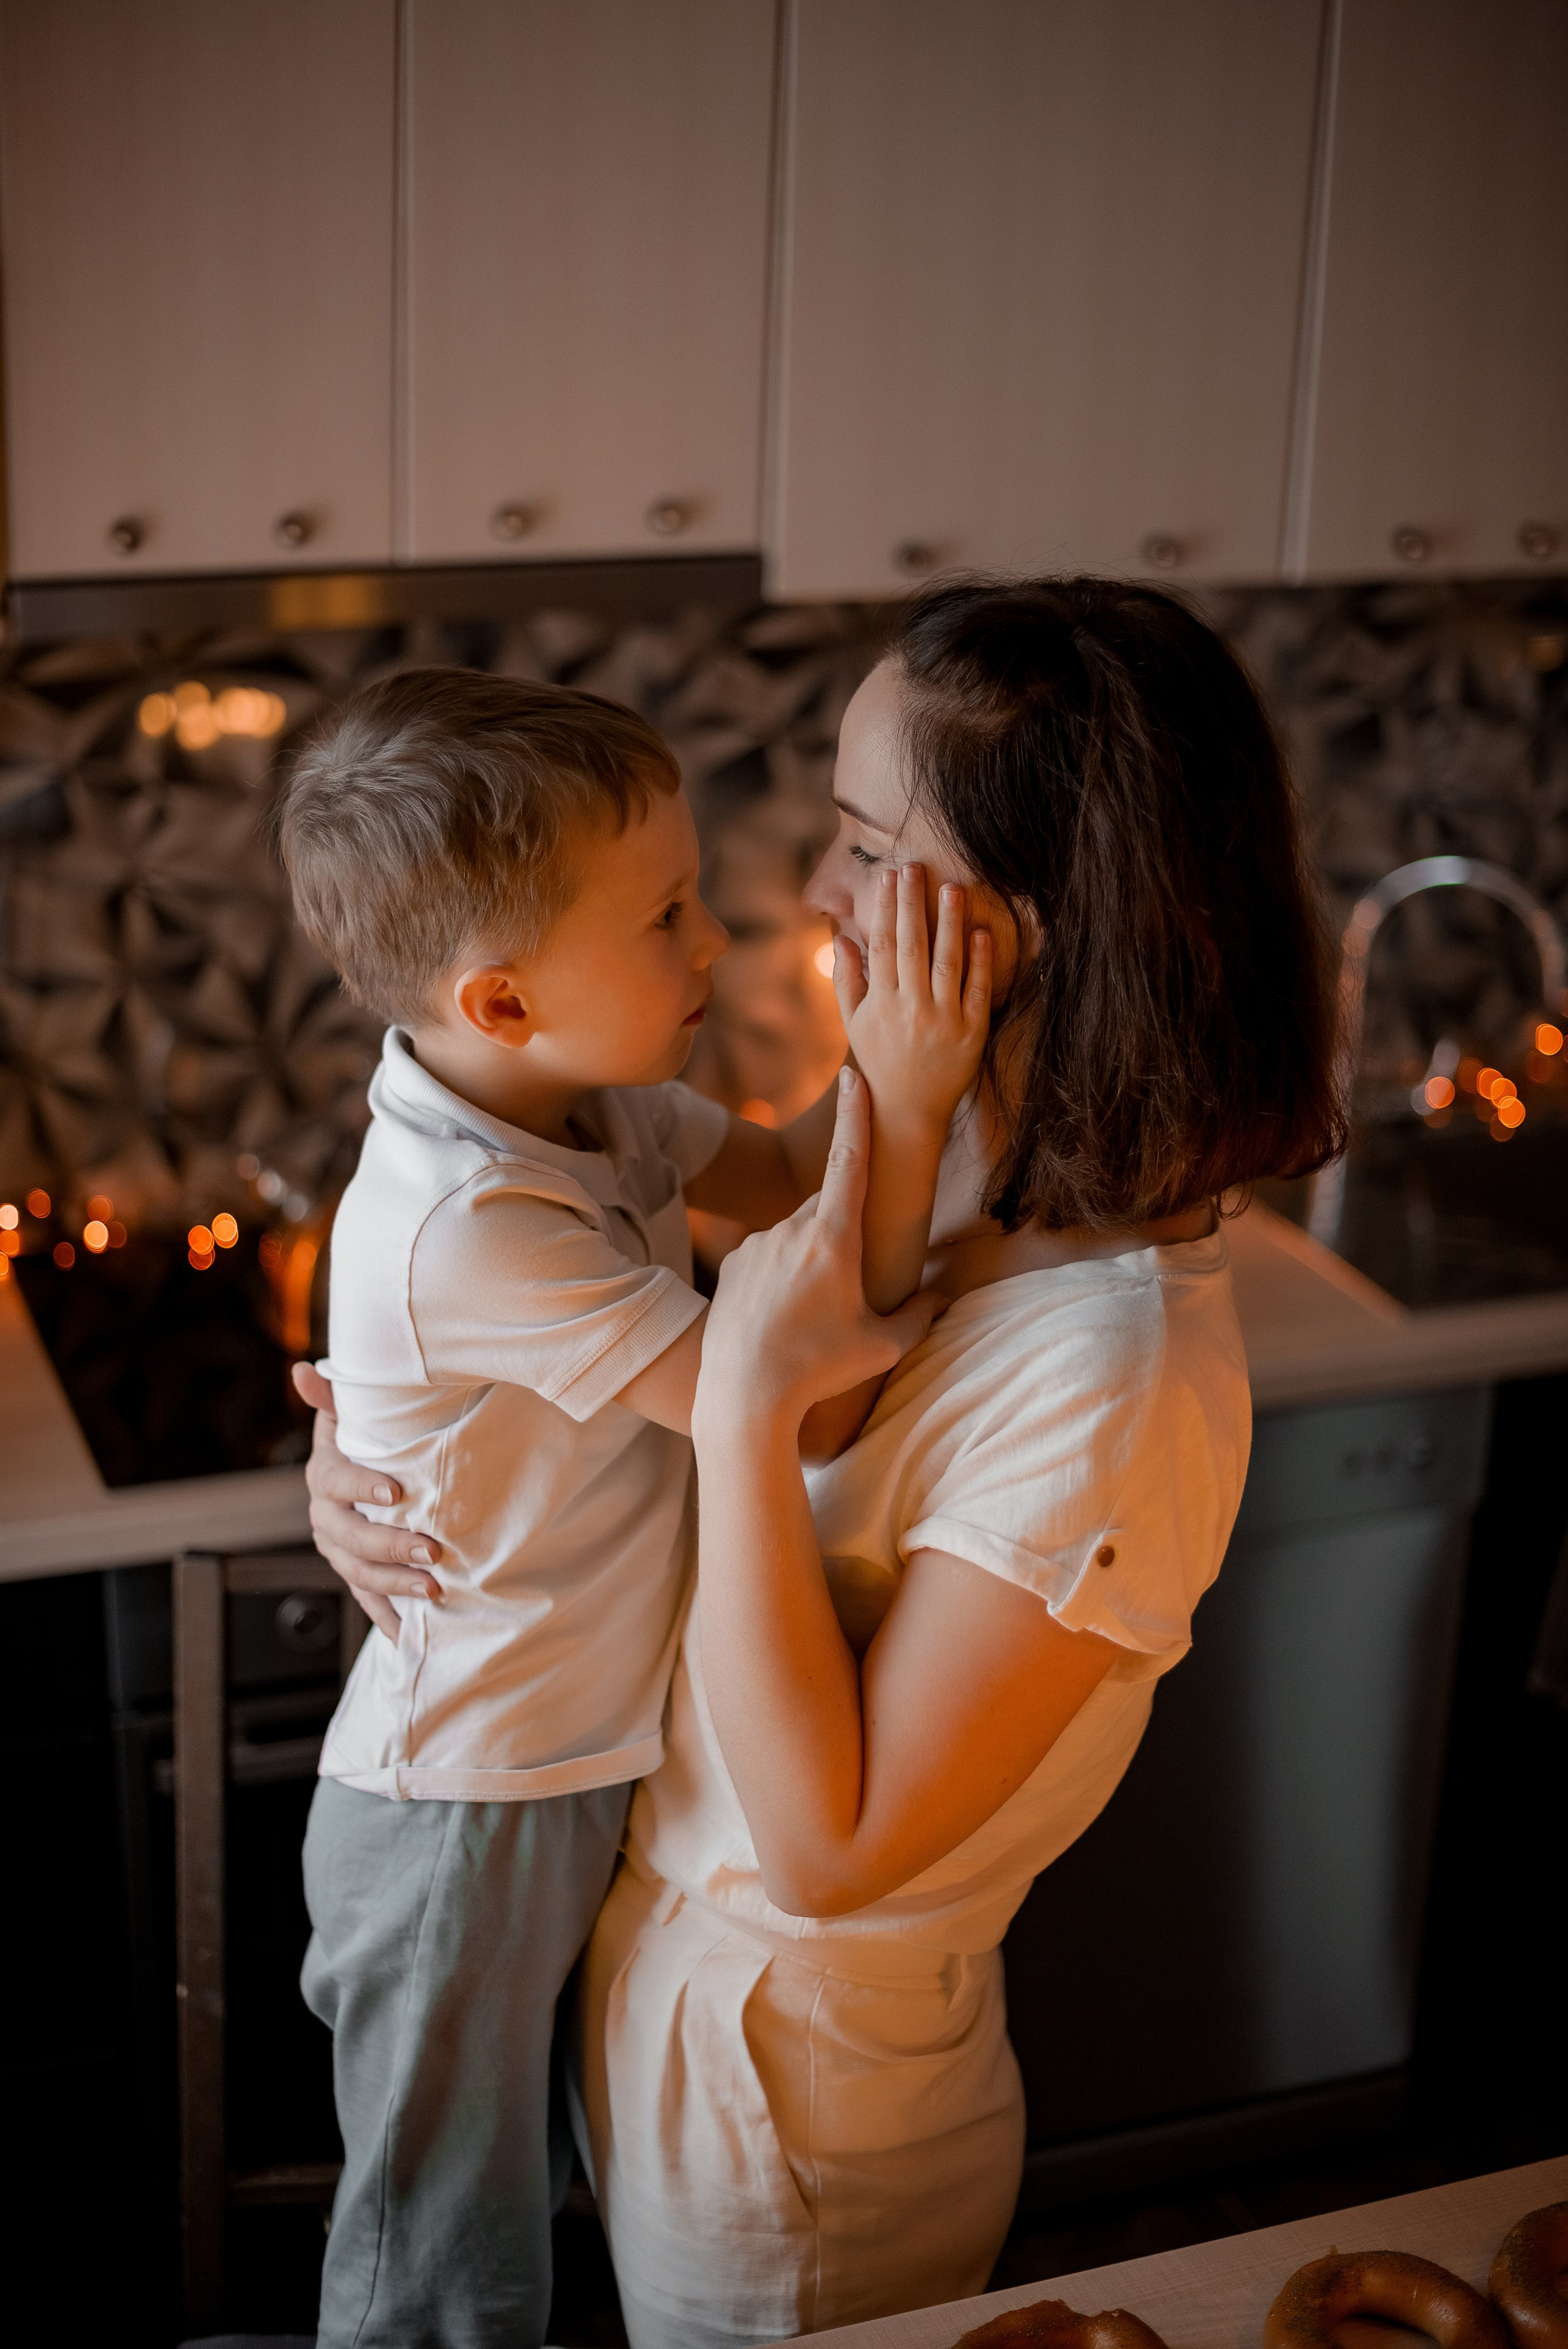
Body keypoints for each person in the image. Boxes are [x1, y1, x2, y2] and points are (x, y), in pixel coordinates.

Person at [304, 581, 1343, 2348]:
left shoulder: (1118, 1377)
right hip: (665, 2007)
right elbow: (709, 1352)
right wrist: (393, 1458)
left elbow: (833, 1841)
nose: (809, 896)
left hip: (802, 2117)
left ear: (1034, 919)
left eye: (867, 842)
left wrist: (728, 1405)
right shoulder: (942, 1149)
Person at [275, 665, 985, 2349]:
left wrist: (905, 1041)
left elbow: (808, 1177)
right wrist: (925, 1097)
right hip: (463, 1800)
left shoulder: (593, 1111)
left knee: (523, 2212)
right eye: (667, 915)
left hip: (555, 1757)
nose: (714, 947)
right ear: (505, 1000)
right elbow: (791, 1400)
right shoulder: (473, 1224)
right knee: (441, 2253)